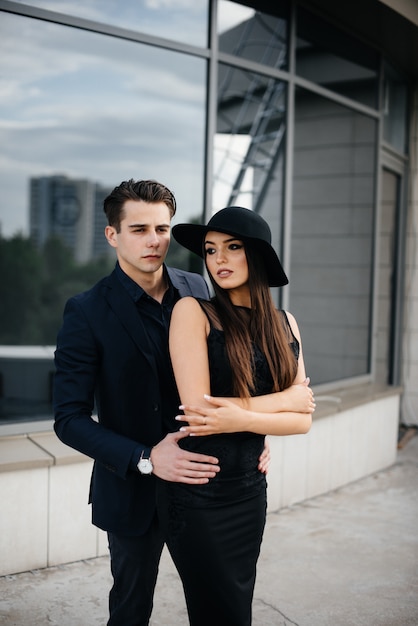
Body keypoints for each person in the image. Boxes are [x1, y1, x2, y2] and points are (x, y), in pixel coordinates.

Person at [53, 180, 272, 626]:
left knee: (221, 604)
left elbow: (237, 371)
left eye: (163, 228)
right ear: (112, 235)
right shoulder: (86, 310)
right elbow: (69, 418)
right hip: (135, 492)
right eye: (139, 229)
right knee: (131, 609)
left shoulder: (202, 289)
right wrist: (147, 458)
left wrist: (254, 431)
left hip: (211, 486)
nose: (154, 240)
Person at [157, 206, 314, 626]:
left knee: (237, 610)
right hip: (199, 493)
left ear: (257, 255)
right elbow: (203, 414)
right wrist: (283, 401)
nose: (218, 259)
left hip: (250, 490)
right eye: (210, 251)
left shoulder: (286, 324)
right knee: (217, 612)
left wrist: (243, 415)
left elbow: (303, 420)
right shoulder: (193, 312)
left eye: (232, 248)